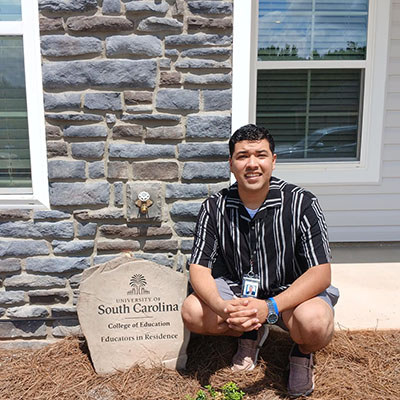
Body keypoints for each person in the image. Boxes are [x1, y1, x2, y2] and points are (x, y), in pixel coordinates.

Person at [181, 124, 339, 398]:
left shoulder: (302, 203)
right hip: (237, 292)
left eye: (260, 155)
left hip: (289, 293)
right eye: (242, 156)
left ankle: (301, 354)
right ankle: (249, 334)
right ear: (231, 164)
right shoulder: (214, 207)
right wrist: (224, 308)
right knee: (192, 312)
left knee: (314, 323)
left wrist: (270, 307)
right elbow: (199, 268)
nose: (252, 164)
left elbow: (320, 273)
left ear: (273, 161)